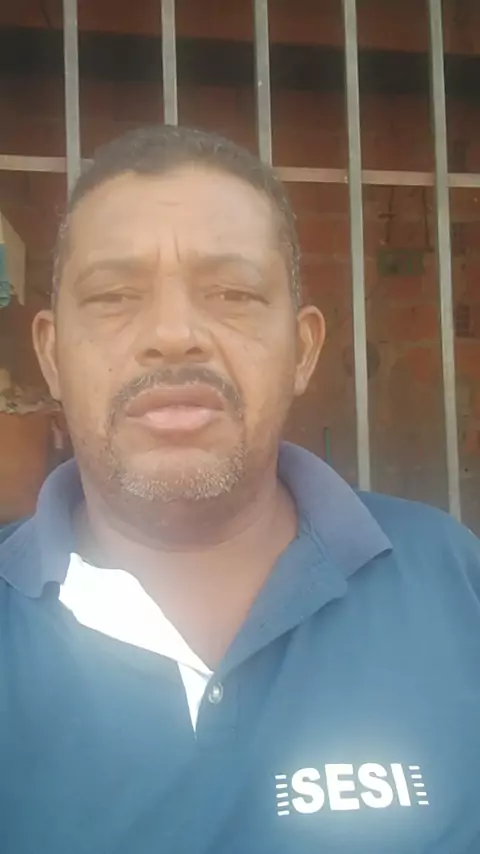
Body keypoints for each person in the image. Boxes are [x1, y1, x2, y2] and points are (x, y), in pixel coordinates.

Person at [0, 126, 479, 854]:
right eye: (113, 296)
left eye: (232, 293)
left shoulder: (452, 580)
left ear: (303, 350)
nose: (173, 334)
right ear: (50, 355)